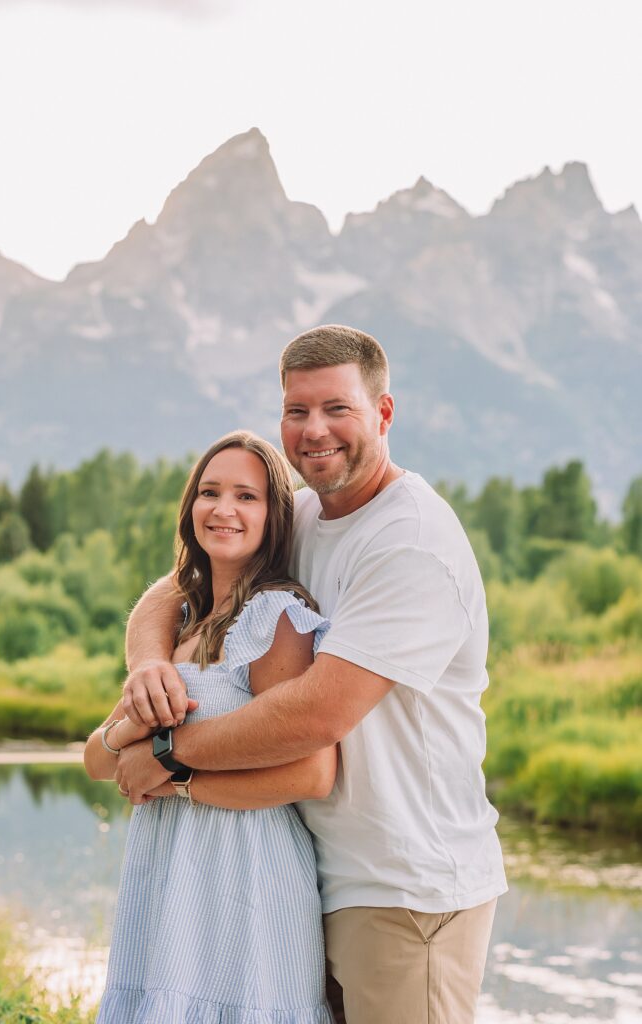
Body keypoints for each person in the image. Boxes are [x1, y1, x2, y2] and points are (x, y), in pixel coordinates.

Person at [118, 325, 508, 1024]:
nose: (313, 430)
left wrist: (168, 758)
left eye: (337, 408)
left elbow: (316, 715)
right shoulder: (302, 514)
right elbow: (179, 585)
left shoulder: (410, 540)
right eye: (297, 411)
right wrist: (149, 662)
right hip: (314, 877)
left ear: (383, 415)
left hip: (405, 888)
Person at [84, 431, 336, 1024]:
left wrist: (168, 771)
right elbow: (97, 763)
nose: (223, 509)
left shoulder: (278, 617)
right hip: (168, 866)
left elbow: (310, 773)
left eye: (246, 496)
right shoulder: (183, 622)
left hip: (246, 871)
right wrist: (134, 730)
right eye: (210, 492)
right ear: (189, 507)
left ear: (275, 517)